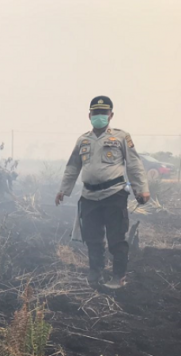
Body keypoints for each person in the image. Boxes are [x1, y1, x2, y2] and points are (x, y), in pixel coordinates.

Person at [56, 96, 149, 289]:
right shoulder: (83, 140)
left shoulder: (121, 137)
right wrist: (63, 190)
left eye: (103, 113)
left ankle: (118, 277)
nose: (99, 116)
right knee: (92, 238)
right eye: (95, 113)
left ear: (111, 115)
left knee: (117, 238)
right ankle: (95, 273)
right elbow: (73, 166)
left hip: (114, 194)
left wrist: (142, 190)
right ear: (89, 115)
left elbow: (134, 164)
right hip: (89, 196)